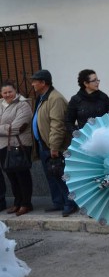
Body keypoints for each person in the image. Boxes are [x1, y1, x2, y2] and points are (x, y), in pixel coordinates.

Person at [31, 69, 78, 216]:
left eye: (35, 81)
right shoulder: (43, 97)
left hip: (53, 146)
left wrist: (54, 146)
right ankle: (58, 202)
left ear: (43, 83)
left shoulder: (55, 98)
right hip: (44, 144)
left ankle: (70, 203)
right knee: (51, 175)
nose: (32, 84)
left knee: (61, 176)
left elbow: (57, 125)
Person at [0, 81, 33, 216]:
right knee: (11, 176)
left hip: (19, 145)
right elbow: (9, 127)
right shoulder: (1, 105)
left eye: (10, 92)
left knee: (22, 175)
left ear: (15, 92)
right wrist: (6, 127)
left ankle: (26, 204)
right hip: (3, 146)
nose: (7, 94)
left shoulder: (23, 105)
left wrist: (4, 128)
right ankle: (17, 202)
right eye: (4, 92)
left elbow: (17, 128)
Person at [65, 69, 109, 135]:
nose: (97, 82)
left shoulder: (103, 97)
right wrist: (75, 132)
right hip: (85, 139)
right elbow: (69, 121)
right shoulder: (75, 100)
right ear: (86, 83)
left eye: (97, 80)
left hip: (104, 137)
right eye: (94, 80)